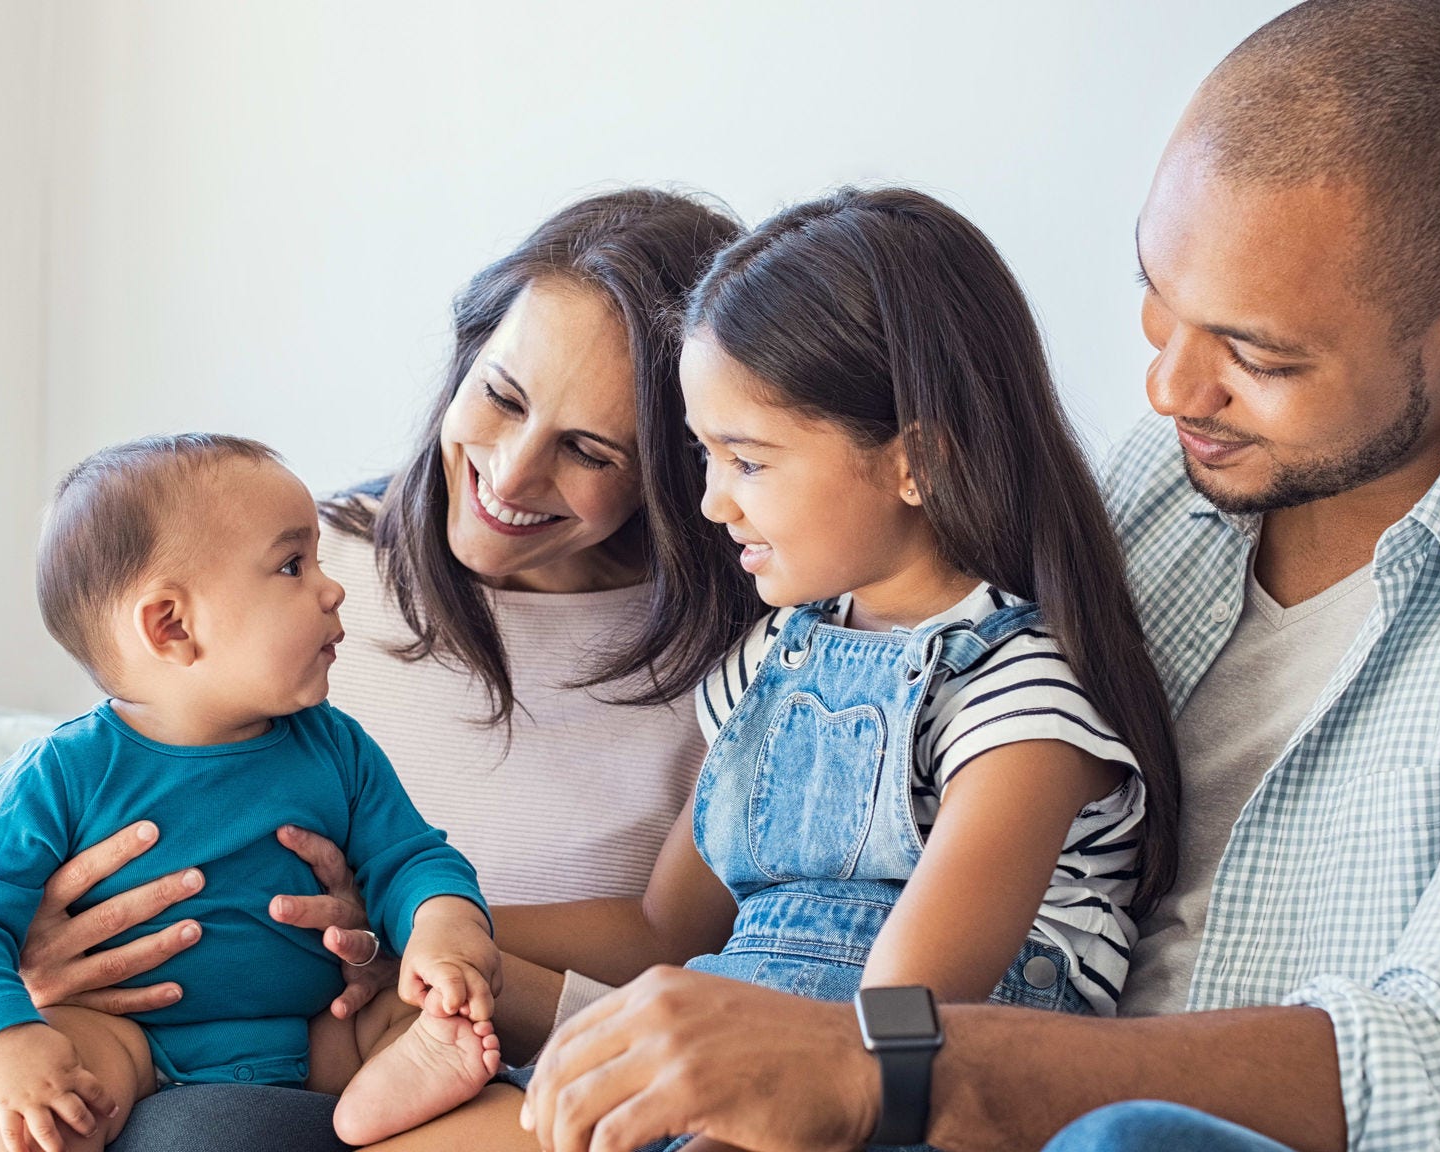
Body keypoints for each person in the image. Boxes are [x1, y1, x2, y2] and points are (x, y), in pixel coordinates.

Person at [514, 3, 1440, 1151]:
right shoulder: (1174, 475)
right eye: (1155, 306)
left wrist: (881, 1064)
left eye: (1255, 355)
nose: (1171, 390)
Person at [0, 190, 758, 1152]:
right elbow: (126, 773)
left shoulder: (739, 665)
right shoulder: (280, 564)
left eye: (588, 449)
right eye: (500, 395)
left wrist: (415, 934)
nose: (511, 475)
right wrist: (28, 968)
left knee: (204, 1136)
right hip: (140, 1026)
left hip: (392, 1041)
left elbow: (674, 950)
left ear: (676, 461)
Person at [364, 186, 1186, 1152]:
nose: (709, 505)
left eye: (746, 462)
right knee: (385, 1069)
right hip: (735, 1040)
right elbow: (662, 932)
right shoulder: (773, 660)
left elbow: (893, 1031)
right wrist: (442, 930)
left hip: (883, 1091)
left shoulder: (1020, 701)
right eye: (702, 455)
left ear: (916, 463)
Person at [0, 434, 507, 1152]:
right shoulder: (62, 772)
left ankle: (385, 1091)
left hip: (317, 1031)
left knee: (410, 1016)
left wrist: (444, 931)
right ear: (172, 626)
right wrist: (8, 1046)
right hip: (128, 1040)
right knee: (46, 1100)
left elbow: (411, 858)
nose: (332, 587)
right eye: (293, 565)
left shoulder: (336, 747)